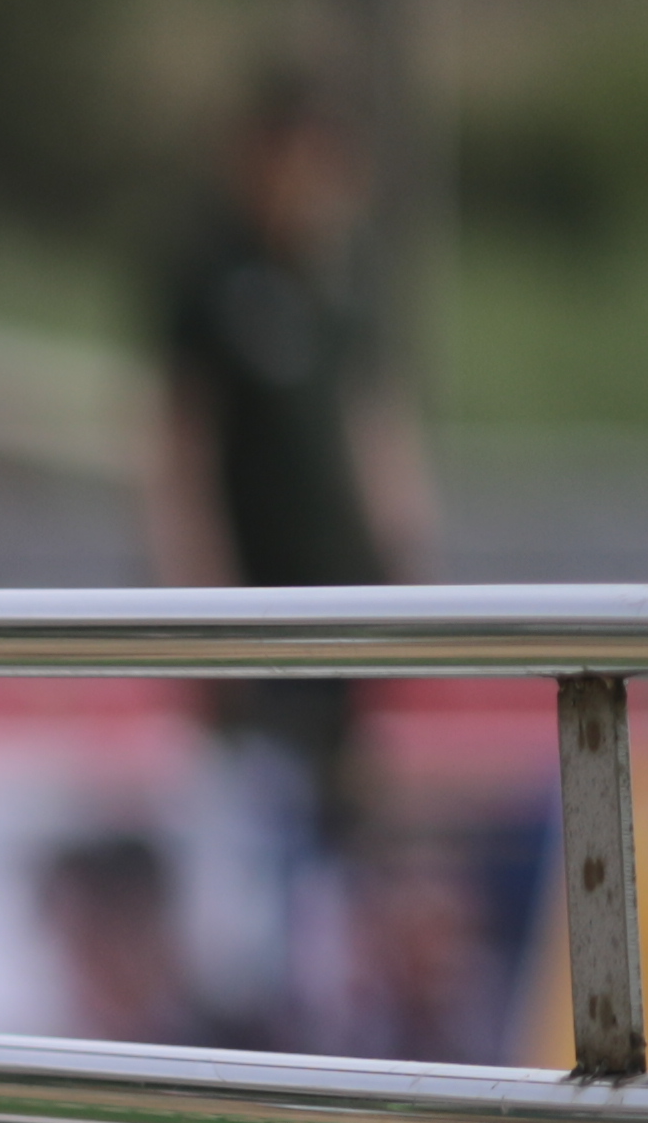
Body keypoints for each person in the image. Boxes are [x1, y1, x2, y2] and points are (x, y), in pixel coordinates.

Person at [147, 58, 438, 844]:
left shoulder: (345, 275)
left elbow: (373, 415)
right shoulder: (210, 275)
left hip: (347, 592)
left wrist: (405, 544)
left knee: (351, 818)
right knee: (250, 826)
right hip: (252, 595)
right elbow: (182, 445)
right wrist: (198, 593)